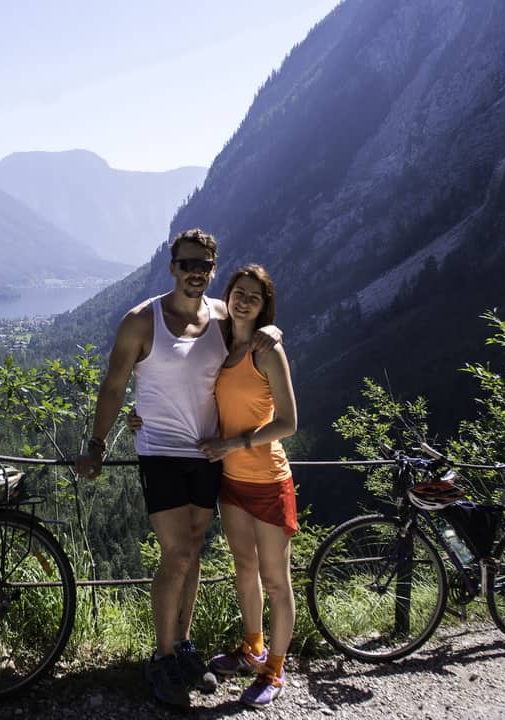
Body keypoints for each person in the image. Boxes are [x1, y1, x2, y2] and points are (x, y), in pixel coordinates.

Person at [74, 230, 281, 709]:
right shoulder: (141, 321)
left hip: (208, 453)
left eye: (205, 265)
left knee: (194, 552)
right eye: (188, 263)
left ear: (213, 269)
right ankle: (162, 657)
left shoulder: (224, 317)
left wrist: (274, 330)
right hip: (160, 451)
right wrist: (98, 443)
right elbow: (113, 387)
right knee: (179, 554)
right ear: (171, 266)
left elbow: (256, 334)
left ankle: (184, 647)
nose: (196, 272)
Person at [198, 264, 298, 706]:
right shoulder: (222, 342)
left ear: (264, 304)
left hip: (267, 480)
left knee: (277, 581)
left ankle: (274, 669)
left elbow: (289, 423)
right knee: (244, 569)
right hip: (231, 479)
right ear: (229, 296)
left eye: (254, 297)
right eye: (238, 292)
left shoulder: (266, 350)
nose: (243, 301)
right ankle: (253, 648)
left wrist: (235, 442)